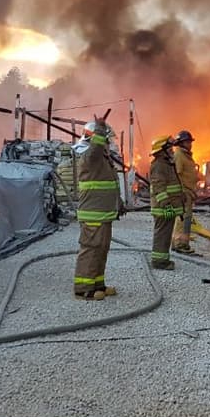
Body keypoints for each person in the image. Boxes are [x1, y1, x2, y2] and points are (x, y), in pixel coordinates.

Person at [73, 119, 122, 300]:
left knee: (102, 249)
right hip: (93, 213)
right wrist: (100, 132)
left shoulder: (101, 158)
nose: (108, 144)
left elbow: (110, 184)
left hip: (103, 213)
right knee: (91, 249)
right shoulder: (89, 155)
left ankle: (97, 283)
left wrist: (119, 203)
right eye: (106, 140)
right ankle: (83, 288)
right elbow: (95, 149)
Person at [147, 135, 184, 270]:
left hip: (168, 207)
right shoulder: (159, 165)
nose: (172, 150)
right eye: (169, 148)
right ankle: (159, 262)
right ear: (162, 150)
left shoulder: (167, 164)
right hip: (163, 208)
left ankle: (163, 259)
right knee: (162, 234)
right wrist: (166, 205)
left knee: (166, 234)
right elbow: (159, 187)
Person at [171, 129, 199, 254]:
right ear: (181, 143)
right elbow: (176, 175)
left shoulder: (186, 155)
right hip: (184, 192)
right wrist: (180, 192)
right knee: (182, 219)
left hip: (189, 192)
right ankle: (178, 244)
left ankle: (184, 244)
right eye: (187, 142)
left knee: (187, 219)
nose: (190, 144)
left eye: (190, 141)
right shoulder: (179, 155)